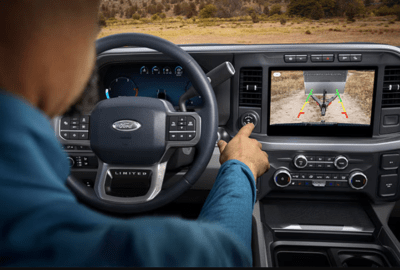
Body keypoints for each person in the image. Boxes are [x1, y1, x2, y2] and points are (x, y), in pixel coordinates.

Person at [0, 1, 270, 267]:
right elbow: (224, 256)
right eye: (95, 28)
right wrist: (240, 166)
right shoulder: (163, 254)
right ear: (52, 41)